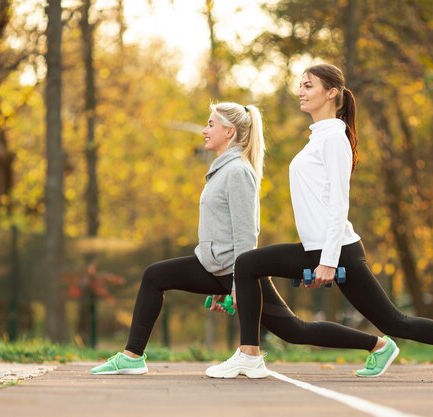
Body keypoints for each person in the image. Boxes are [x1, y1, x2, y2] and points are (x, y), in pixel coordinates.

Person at [206, 65, 433, 382]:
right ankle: (249, 355)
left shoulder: (334, 139)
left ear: (331, 92)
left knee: (395, 322)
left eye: (308, 86)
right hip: (317, 248)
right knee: (248, 264)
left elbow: (338, 204)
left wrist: (328, 262)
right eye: (300, 86)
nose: (301, 91)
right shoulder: (319, 137)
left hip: (338, 250)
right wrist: (318, 258)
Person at [91, 101, 399, 377]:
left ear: (230, 132)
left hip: (232, 269)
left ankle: (377, 344)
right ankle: (132, 356)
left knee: (294, 330)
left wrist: (238, 284)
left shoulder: (238, 172)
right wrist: (219, 283)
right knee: (157, 276)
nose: (204, 130)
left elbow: (246, 232)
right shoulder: (223, 169)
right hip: (217, 267)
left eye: (210, 124)